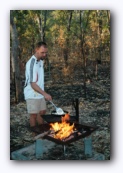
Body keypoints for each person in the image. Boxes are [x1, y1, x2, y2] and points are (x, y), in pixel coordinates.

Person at [24, 41, 52, 128]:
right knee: (33, 115)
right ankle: (35, 136)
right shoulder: (31, 63)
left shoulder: (40, 61)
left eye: (46, 52)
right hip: (32, 93)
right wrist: (45, 94)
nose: (44, 55)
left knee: (42, 112)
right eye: (42, 52)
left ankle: (41, 130)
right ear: (36, 50)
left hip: (40, 93)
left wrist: (43, 93)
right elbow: (32, 83)